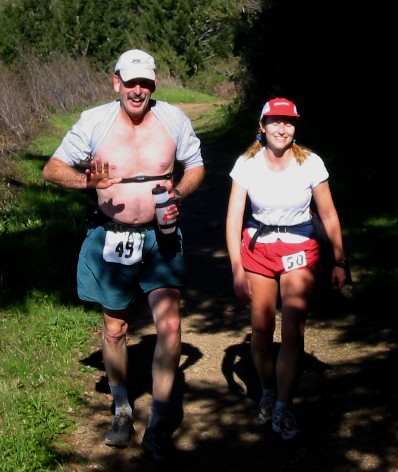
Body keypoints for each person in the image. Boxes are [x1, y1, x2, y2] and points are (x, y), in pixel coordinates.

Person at [42, 49, 205, 460]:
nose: (138, 90)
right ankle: (120, 407)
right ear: (116, 82)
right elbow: (51, 168)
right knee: (115, 329)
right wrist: (85, 181)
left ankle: (160, 421)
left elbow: (196, 165)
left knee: (169, 325)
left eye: (145, 83)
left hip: (160, 237)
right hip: (111, 237)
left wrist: (178, 193)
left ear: (153, 85)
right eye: (130, 82)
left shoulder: (172, 119)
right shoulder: (94, 121)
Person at [226, 97, 346, 440]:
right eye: (275, 121)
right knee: (261, 331)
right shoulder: (247, 164)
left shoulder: (311, 163)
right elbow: (235, 217)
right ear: (261, 126)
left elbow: (329, 214)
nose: (282, 128)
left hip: (300, 249)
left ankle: (284, 406)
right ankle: (267, 391)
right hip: (259, 249)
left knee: (293, 330)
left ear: (296, 127)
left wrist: (339, 260)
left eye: (289, 122)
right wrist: (237, 267)